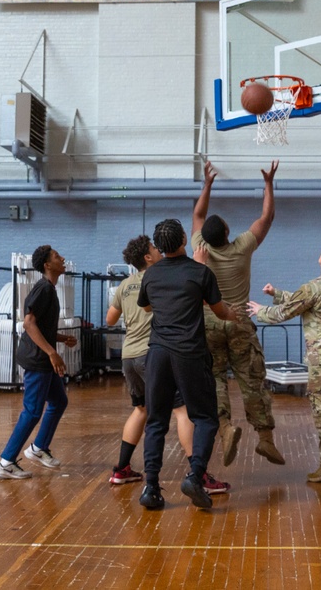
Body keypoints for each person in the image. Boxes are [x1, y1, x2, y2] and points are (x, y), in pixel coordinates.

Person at [106, 235, 230, 495]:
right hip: (155, 353)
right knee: (184, 412)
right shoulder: (163, 276)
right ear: (148, 257)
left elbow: (109, 320)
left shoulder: (125, 284)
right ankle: (198, 475)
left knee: (144, 412)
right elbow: (205, 300)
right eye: (152, 248)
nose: (157, 250)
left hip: (128, 356)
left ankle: (124, 469)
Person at [247, 240, 321, 500]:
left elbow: (288, 311)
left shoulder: (316, 287)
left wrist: (260, 311)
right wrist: (277, 293)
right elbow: (307, 302)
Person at [137, 218, 239, 511]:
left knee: (156, 421)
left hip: (157, 354)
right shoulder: (200, 272)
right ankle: (195, 476)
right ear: (184, 238)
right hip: (189, 354)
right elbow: (220, 312)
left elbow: (146, 306)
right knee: (205, 417)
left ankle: (151, 487)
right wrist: (237, 315)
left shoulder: (151, 275)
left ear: (158, 247)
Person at [191, 159, 285, 467]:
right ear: (229, 232)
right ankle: (266, 440)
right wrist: (268, 183)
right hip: (240, 322)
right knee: (251, 379)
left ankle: (225, 428)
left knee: (215, 378)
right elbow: (267, 217)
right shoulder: (242, 246)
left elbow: (198, 214)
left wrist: (207, 184)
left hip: (209, 323)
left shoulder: (199, 247)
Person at [0, 245, 77, 480]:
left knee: (59, 401)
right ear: (47, 265)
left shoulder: (50, 289)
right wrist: (52, 352)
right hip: (37, 360)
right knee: (31, 412)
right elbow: (28, 323)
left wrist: (61, 338)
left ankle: (38, 448)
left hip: (43, 359)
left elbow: (41, 326)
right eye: (57, 257)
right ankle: (6, 462)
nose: (62, 258)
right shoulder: (43, 289)